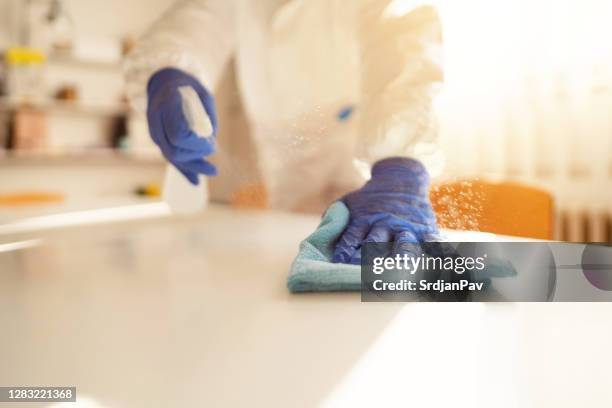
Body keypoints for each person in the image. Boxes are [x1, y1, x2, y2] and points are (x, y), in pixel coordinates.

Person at [125, 0, 443, 264]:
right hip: (286, 175)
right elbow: (194, 22)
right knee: (301, 285)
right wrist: (168, 71)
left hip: (370, 156)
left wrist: (400, 158)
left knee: (387, 278)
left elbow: (401, 41)